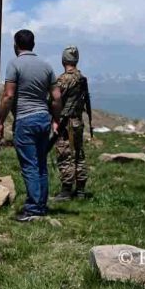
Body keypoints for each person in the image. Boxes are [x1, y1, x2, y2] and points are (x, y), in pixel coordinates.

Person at [0, 29, 62, 222]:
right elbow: (56, 98)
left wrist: (0, 122)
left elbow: (8, 96)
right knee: (41, 164)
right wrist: (55, 120)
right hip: (43, 118)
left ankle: (32, 209)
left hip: (25, 119)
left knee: (30, 165)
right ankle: (41, 205)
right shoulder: (47, 66)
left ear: (16, 45)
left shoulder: (14, 64)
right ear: (33, 44)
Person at [52, 46, 93, 201]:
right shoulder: (82, 78)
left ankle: (66, 190)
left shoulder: (64, 79)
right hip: (77, 121)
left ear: (63, 60)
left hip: (65, 123)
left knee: (65, 154)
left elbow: (55, 98)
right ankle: (81, 190)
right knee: (78, 154)